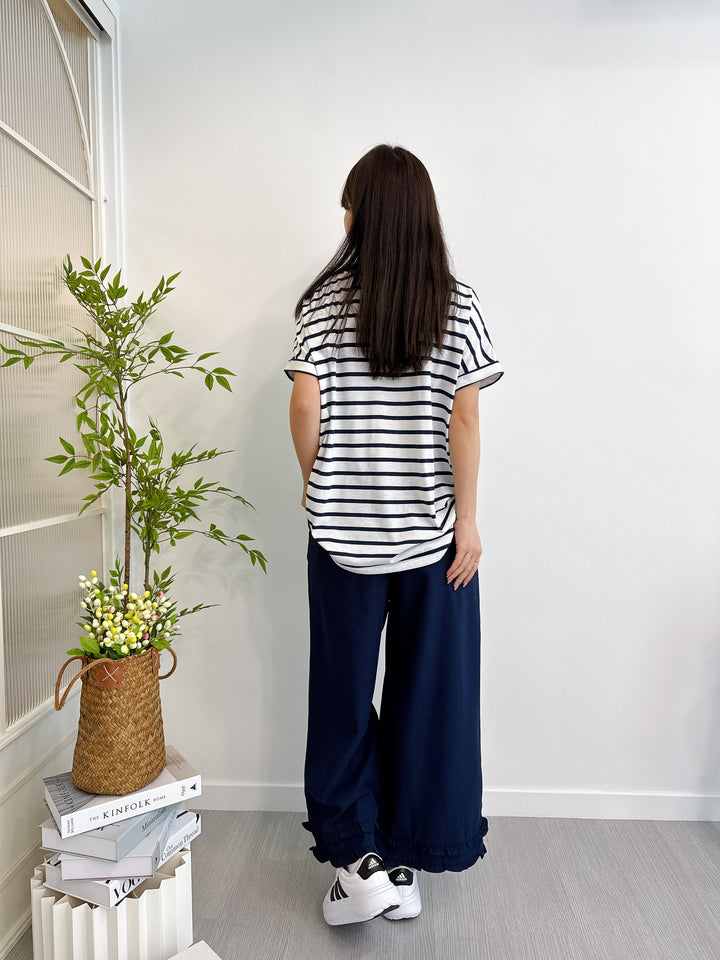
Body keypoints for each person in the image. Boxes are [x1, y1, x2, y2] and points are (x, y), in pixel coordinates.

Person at [285, 144, 504, 926]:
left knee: (342, 697)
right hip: (435, 544)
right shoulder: (458, 303)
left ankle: (358, 856)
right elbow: (464, 418)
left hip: (343, 539)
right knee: (429, 699)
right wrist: (467, 520)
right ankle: (405, 857)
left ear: (363, 214)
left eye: (347, 205)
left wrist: (315, 483)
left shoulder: (322, 305)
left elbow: (304, 406)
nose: (343, 217)